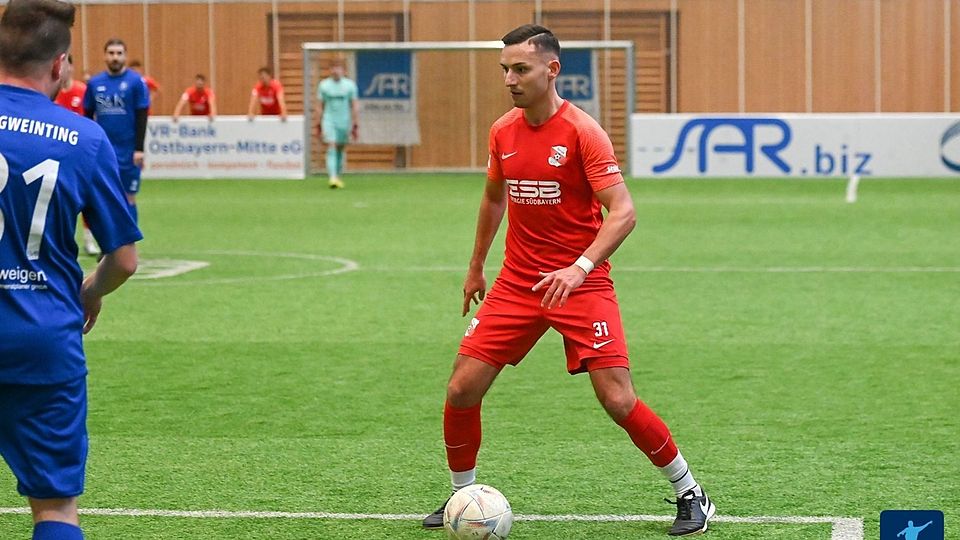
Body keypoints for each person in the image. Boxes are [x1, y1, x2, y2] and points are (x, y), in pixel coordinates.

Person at [420, 24, 715, 537]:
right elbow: (494, 198)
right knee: (462, 389)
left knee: (618, 398)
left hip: (582, 283)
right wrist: (475, 265)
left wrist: (579, 268)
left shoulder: (583, 131)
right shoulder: (502, 130)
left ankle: (690, 491)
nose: (510, 79)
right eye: (505, 70)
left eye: (521, 69)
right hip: (517, 284)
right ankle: (461, 496)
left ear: (551, 69)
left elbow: (623, 212)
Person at [0, 0, 142, 539]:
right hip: (42, 338)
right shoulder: (82, 137)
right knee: (55, 510)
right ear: (61, 65)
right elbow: (124, 258)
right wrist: (90, 290)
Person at [83, 38, 150, 224]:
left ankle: (129, 246)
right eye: (111, 53)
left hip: (128, 152)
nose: (115, 57)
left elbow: (142, 116)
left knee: (129, 197)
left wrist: (139, 149)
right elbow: (88, 117)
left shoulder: (136, 82)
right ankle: (109, 247)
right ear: (105, 56)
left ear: (125, 56)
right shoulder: (95, 83)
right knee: (104, 199)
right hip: (103, 151)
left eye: (119, 53)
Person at [54, 53, 99, 256]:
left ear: (70, 67)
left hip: (79, 155)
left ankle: (90, 239)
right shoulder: (50, 94)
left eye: (67, 65)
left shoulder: (82, 91)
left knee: (87, 199)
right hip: (56, 154)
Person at [315, 60, 358, 189]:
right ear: (330, 70)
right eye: (333, 68)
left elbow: (354, 105)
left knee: (340, 148)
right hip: (329, 120)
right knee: (331, 145)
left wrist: (356, 123)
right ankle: (332, 177)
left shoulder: (350, 85)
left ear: (344, 71)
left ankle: (337, 176)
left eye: (338, 68)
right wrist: (318, 123)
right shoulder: (324, 85)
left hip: (344, 121)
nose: (336, 71)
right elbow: (319, 105)